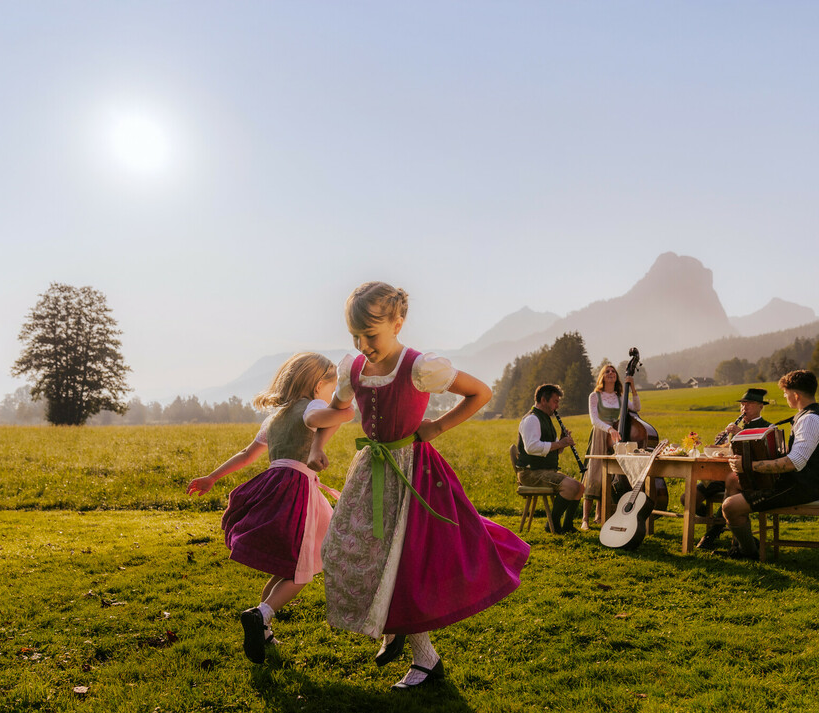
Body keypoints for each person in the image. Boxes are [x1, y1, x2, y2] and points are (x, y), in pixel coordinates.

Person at [319, 281, 531, 690]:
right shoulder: (353, 368)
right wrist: (315, 445)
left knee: (409, 561)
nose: (363, 344)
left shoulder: (419, 366)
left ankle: (423, 658)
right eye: (355, 336)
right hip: (371, 470)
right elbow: (337, 408)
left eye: (371, 334)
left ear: (398, 323)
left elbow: (479, 392)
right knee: (345, 548)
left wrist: (436, 426)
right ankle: (394, 626)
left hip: (415, 474)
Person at [186, 352, 355, 664]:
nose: (331, 396)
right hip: (298, 490)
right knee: (303, 573)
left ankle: (262, 630)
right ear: (318, 385)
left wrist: (212, 477)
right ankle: (261, 614)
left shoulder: (274, 418)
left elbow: (247, 454)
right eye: (330, 389)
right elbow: (328, 417)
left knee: (288, 566)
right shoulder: (315, 406)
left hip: (275, 484)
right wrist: (344, 409)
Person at [720, 370, 819, 559]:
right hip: (796, 483)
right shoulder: (807, 417)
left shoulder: (810, 420)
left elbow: (794, 462)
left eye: (786, 393)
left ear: (795, 395)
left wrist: (749, 466)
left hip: (798, 487)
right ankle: (740, 544)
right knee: (733, 480)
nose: (785, 397)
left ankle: (748, 552)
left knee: (729, 507)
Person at [694, 388, 771, 550]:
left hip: (745, 478)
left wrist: (741, 433)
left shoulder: (767, 428)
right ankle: (726, 524)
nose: (744, 408)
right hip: (723, 474)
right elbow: (729, 450)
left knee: (730, 487)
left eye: (749, 404)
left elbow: (762, 452)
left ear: (760, 406)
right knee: (688, 497)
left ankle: (713, 532)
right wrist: (719, 445)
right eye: (742, 405)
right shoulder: (738, 426)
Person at [515, 384, 584, 534]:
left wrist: (563, 442)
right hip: (530, 473)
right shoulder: (532, 419)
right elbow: (532, 447)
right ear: (543, 400)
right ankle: (552, 524)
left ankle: (567, 526)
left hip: (544, 471)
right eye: (555, 401)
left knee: (580, 487)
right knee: (571, 487)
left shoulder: (546, 419)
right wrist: (560, 443)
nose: (557, 405)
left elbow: (554, 451)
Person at [579, 363, 640, 529]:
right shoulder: (595, 396)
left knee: (611, 474)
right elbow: (594, 420)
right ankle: (585, 518)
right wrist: (609, 429)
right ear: (602, 376)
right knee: (595, 472)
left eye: (613, 371)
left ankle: (600, 514)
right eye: (607, 371)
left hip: (617, 436)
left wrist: (632, 388)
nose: (611, 373)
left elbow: (636, 408)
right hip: (601, 434)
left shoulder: (621, 397)